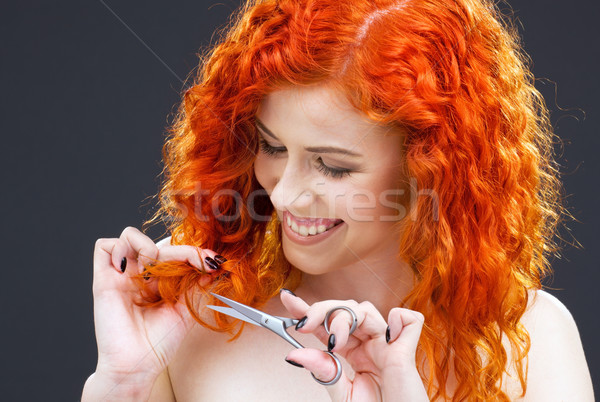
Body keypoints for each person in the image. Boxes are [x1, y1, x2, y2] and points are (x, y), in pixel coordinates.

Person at [82, 0, 595, 400]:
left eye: (333, 165)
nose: (282, 194)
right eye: (272, 146)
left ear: (431, 169)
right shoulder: (194, 321)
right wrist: (124, 385)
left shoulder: (534, 339)